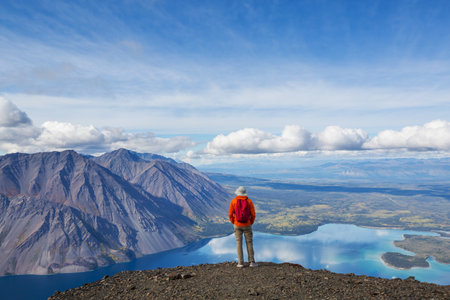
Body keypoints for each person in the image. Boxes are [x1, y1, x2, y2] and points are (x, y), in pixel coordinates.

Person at [228, 186, 258, 268]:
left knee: (239, 243)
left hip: (237, 225)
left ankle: (240, 263)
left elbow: (230, 214)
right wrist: (250, 222)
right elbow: (253, 214)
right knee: (249, 243)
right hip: (247, 225)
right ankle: (252, 262)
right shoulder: (249, 201)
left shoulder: (233, 201)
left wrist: (234, 222)